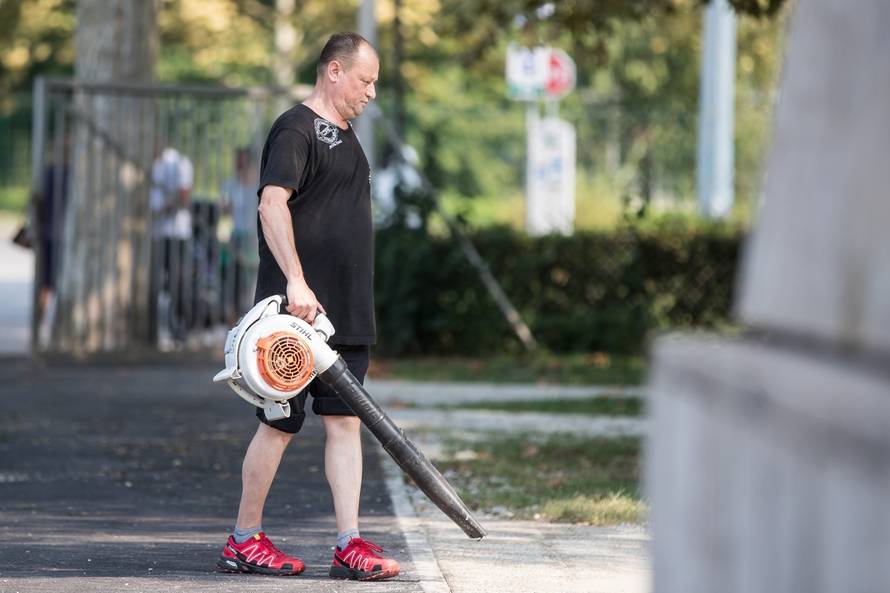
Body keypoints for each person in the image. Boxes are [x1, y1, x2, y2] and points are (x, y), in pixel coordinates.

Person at [217, 32, 399, 581]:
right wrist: (296, 282)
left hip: (344, 312)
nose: (371, 92)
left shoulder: (349, 136)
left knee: (345, 423)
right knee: (280, 422)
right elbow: (271, 204)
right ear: (334, 71)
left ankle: (350, 544)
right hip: (292, 318)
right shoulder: (297, 129)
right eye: (365, 80)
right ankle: (244, 540)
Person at [149, 145, 194, 351]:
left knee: (177, 283)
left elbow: (184, 196)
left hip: (177, 234)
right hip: (160, 234)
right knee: (162, 284)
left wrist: (167, 207)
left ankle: (180, 329)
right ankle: (162, 329)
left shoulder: (179, 163)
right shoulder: (156, 165)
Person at [219, 147, 259, 319]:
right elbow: (224, 213)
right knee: (234, 283)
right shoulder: (229, 185)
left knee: (252, 285)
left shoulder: (258, 184)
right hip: (236, 237)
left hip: (254, 238)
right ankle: (233, 322)